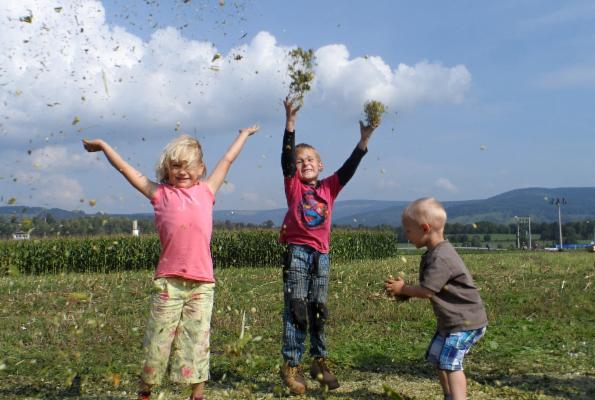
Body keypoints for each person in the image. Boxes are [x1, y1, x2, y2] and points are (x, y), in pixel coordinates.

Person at [82, 125, 259, 400]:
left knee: (197, 343)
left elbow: (227, 159)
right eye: (176, 166)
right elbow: (127, 170)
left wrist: (243, 135)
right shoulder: (160, 194)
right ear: (166, 169)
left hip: (202, 284)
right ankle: (145, 392)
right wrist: (104, 146)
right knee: (157, 342)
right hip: (169, 284)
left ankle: (197, 395)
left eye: (189, 165)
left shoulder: (207, 191)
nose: (182, 171)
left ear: (201, 169)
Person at [278, 97, 377, 394]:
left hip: (321, 255)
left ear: (320, 165)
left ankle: (319, 362)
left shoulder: (329, 188)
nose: (305, 163)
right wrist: (290, 123)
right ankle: (292, 365)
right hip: (297, 252)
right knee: (297, 308)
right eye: (300, 161)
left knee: (318, 310)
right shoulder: (294, 186)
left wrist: (363, 141)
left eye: (310, 159)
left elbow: (349, 168)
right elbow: (286, 159)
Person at [385, 197, 487, 400]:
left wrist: (403, 288)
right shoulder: (435, 252)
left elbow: (427, 291)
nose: (406, 235)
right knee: (438, 357)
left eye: (408, 231)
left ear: (425, 228)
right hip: (451, 322)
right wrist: (405, 291)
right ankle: (449, 395)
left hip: (466, 323)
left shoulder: (441, 257)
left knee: (451, 364)